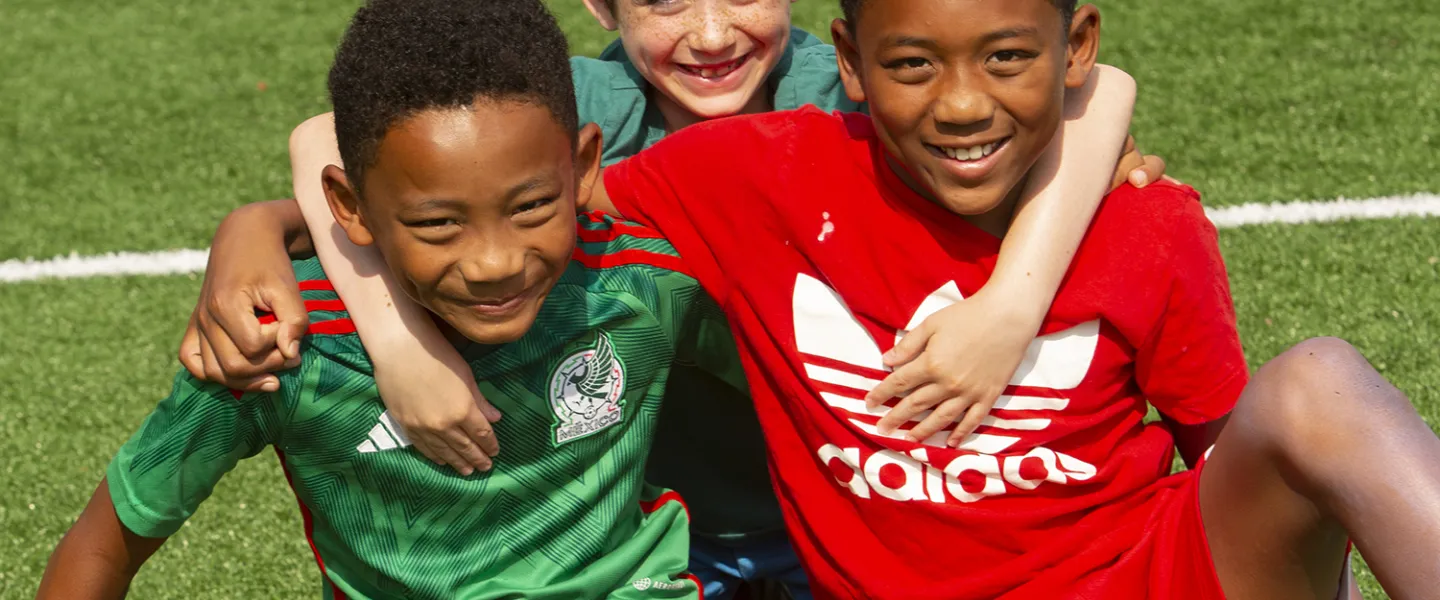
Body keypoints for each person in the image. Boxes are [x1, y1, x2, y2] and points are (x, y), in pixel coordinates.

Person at [184, 2, 1164, 598]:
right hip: (659, 535)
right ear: (600, 7)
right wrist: (386, 335)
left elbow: (1103, 87)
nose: (707, 31)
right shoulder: (581, 107)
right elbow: (332, 139)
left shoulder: (852, 95)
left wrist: (1011, 306)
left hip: (855, 518)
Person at [568, 0, 1440, 596]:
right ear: (850, 62)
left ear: (1079, 49)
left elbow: (1234, 456)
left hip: (1132, 575)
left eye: (1008, 59)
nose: (959, 104)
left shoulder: (1144, 219)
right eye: (911, 64)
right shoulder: (748, 176)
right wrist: (418, 342)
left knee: (1317, 384)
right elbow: (516, 208)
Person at [36, 1, 714, 597]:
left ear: (585, 167)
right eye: (438, 224)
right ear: (348, 208)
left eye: (532, 205)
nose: (495, 262)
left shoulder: (646, 275)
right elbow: (104, 546)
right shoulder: (279, 348)